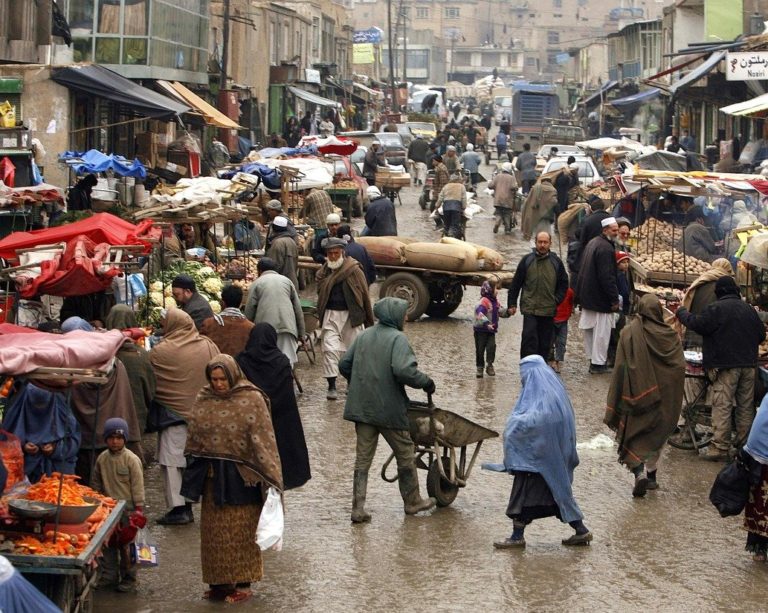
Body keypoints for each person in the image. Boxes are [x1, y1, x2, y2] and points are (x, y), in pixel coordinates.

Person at [180, 355, 283, 604]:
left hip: (243, 478)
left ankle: (244, 584)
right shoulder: (204, 398)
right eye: (214, 379)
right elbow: (195, 433)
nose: (218, 384)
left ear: (232, 375)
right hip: (213, 477)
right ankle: (218, 584)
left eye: (222, 379)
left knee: (241, 533)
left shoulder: (252, 399)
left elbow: (263, 439)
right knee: (214, 536)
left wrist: (270, 476)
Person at [339, 297, 436, 522]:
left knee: (362, 459)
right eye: (403, 314)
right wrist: (426, 382)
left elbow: (344, 365)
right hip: (388, 409)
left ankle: (358, 509)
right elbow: (404, 371)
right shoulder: (397, 339)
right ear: (393, 316)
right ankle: (412, 502)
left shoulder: (364, 335)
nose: (406, 318)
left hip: (362, 408)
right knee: (406, 453)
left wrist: (361, 383)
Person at [485, 355, 592, 549]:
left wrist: (514, 427)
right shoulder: (555, 391)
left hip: (536, 462)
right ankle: (581, 530)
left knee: (521, 500)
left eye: (523, 375)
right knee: (558, 495)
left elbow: (532, 423)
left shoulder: (541, 399)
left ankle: (517, 537)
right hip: (552, 460)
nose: (522, 379)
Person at [675, 276, 766, 460]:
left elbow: (698, 324)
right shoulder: (749, 309)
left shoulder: (716, 308)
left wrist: (682, 313)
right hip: (749, 366)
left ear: (720, 292)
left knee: (722, 405)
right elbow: (760, 335)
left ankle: (720, 448)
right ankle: (742, 446)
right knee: (745, 407)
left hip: (726, 366)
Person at [605, 294, 686, 497]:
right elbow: (679, 367)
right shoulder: (670, 336)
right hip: (664, 400)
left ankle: (638, 472)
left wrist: (619, 393)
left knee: (635, 435)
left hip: (635, 395)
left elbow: (620, 366)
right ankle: (651, 477)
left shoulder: (629, 333)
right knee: (657, 437)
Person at [150, 309, 219, 525]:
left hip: (173, 416)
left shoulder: (160, 352)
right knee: (197, 460)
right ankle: (196, 501)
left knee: (171, 462)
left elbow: (154, 383)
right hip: (204, 415)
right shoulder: (207, 345)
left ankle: (179, 508)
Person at [236, 324, 311, 490]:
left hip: (250, 421)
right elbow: (287, 395)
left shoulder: (241, 360)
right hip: (279, 420)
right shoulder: (281, 361)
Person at [316, 237, 374, 400]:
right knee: (329, 349)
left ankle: (351, 382)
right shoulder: (323, 272)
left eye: (336, 253)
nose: (333, 256)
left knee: (353, 350)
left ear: (342, 253)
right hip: (331, 315)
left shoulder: (354, 269)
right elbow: (320, 293)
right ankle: (332, 386)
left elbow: (364, 295)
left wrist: (368, 319)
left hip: (352, 316)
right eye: (330, 254)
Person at [92, 418, 145, 593]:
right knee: (108, 544)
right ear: (106, 439)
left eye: (119, 438)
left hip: (128, 511)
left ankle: (129, 578)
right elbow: (96, 483)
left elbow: (137, 485)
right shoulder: (102, 458)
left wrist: (138, 509)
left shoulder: (131, 459)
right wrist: (96, 503)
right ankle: (109, 576)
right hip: (107, 509)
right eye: (111, 437)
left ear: (125, 439)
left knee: (128, 547)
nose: (115, 441)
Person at [2, 382, 80, 483]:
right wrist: (23, 447)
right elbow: (6, 445)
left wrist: (55, 448)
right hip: (26, 473)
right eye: (35, 405)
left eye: (44, 405)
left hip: (57, 474)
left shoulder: (63, 414)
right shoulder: (16, 413)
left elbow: (74, 441)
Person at [507, 231, 569, 359]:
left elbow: (564, 284)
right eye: (540, 242)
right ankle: (527, 368)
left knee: (544, 344)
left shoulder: (556, 262)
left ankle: (541, 370)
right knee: (528, 341)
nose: (542, 245)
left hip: (548, 311)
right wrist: (511, 303)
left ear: (550, 244)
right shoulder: (527, 260)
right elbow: (516, 284)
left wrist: (556, 300)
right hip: (530, 309)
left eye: (545, 242)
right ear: (535, 243)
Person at [574, 217, 620, 374]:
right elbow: (607, 277)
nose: (616, 232)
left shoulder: (594, 242)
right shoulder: (605, 248)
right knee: (601, 333)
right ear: (605, 230)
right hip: (600, 298)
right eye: (613, 230)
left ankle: (593, 359)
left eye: (617, 229)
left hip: (588, 295)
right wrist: (614, 298)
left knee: (591, 331)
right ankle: (598, 364)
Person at [104, 305, 156, 443]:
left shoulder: (100, 354)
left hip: (103, 425)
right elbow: (150, 392)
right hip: (135, 423)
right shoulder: (141, 355)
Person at [243, 257, 305, 367]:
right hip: (287, 327)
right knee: (287, 362)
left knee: (267, 363)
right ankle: (286, 382)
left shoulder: (256, 283)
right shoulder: (287, 281)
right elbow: (298, 309)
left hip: (265, 330)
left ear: (259, 271)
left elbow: (249, 311)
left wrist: (247, 333)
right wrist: (301, 333)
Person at [679, 258, 734, 350]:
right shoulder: (727, 287)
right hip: (713, 342)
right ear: (728, 270)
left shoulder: (699, 282)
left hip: (692, 337)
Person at [742, 396, 768, 561]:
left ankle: (760, 548)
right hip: (761, 454)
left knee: (760, 500)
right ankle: (760, 547)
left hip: (757, 453)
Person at [200, 284, 254, 357]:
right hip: (239, 367)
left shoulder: (209, 324)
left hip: (214, 366)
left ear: (222, 302)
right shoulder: (250, 327)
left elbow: (201, 348)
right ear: (241, 304)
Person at [474, 280, 500, 378]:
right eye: (496, 288)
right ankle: (480, 367)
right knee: (480, 350)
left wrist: (508, 312)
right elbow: (480, 313)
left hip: (491, 331)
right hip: (480, 330)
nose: (497, 291)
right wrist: (486, 323)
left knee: (491, 347)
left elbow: (500, 311)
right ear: (490, 290)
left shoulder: (495, 301)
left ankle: (490, 365)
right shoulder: (484, 301)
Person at [520, 176, 557, 242]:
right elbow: (554, 202)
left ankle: (535, 248)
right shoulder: (553, 190)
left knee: (535, 236)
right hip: (546, 217)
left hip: (534, 216)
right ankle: (544, 248)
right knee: (546, 235)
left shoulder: (535, 188)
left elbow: (528, 201)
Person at [267, 216, 300, 291]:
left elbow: (275, 266)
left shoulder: (278, 243)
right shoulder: (291, 241)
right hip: (291, 283)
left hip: (281, 286)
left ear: (274, 228)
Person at [488, 162, 518, 234]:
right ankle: (507, 229)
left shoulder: (498, 176)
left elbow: (490, 186)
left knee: (498, 213)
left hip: (498, 200)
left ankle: (497, 223)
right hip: (508, 200)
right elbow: (514, 187)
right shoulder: (512, 178)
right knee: (507, 214)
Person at [550, 287, 574, 374]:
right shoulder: (550, 289)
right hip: (552, 319)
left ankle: (556, 362)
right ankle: (552, 359)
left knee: (561, 342)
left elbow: (571, 304)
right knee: (551, 341)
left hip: (562, 319)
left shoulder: (569, 292)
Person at [436, 173, 467, 239]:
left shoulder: (446, 186)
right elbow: (464, 198)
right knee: (454, 225)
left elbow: (440, 197)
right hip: (456, 208)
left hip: (446, 207)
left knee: (446, 225)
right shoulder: (461, 186)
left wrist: (437, 206)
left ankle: (446, 236)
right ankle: (452, 236)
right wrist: (464, 207)